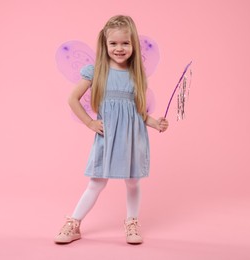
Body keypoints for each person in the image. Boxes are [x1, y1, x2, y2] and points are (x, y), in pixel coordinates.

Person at [54, 15, 169, 245]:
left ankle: (132, 222)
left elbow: (138, 112)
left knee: (133, 181)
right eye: (113, 43)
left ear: (133, 44)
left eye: (125, 43)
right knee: (97, 182)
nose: (119, 48)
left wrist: (155, 123)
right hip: (108, 136)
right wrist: (90, 123)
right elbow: (72, 98)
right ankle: (73, 222)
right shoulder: (97, 70)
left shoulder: (137, 75)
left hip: (132, 137)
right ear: (104, 45)